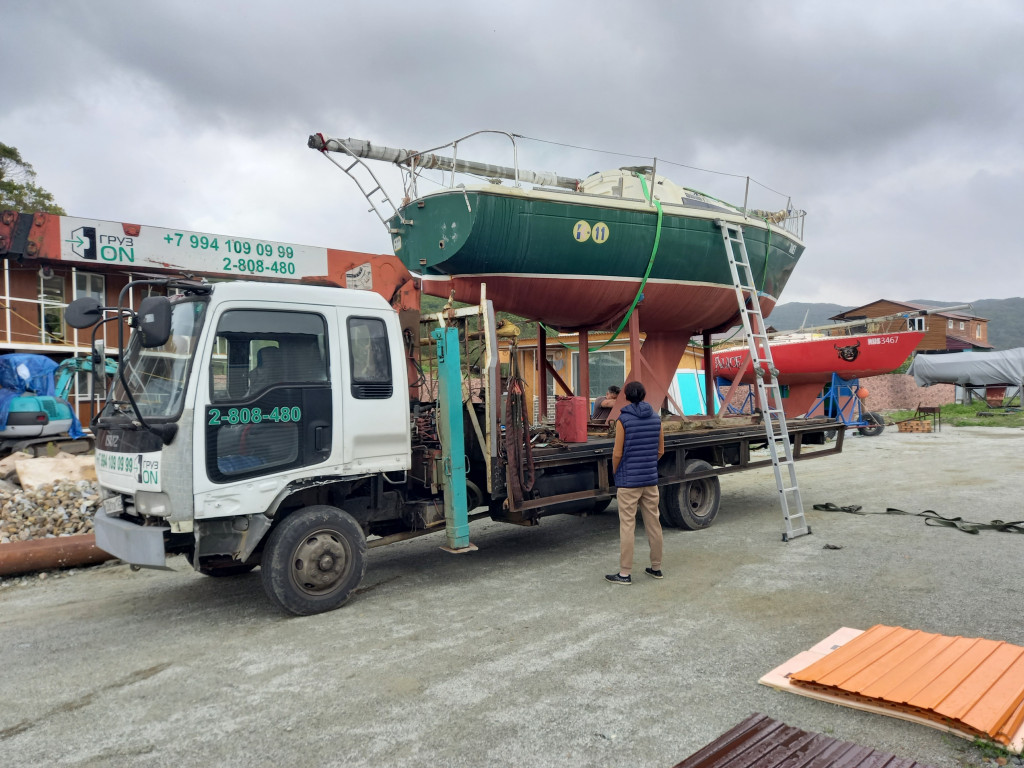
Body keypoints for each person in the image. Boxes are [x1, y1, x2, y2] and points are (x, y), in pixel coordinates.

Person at [606, 380, 664, 585]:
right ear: (644, 395)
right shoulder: (656, 419)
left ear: (627, 397)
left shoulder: (624, 420)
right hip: (650, 479)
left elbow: (617, 453)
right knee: (654, 523)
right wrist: (647, 465)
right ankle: (656, 567)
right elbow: (660, 450)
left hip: (628, 481)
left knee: (628, 526)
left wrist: (616, 471)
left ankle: (625, 573)